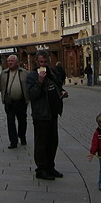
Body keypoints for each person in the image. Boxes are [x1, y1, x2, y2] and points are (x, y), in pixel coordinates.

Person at [26, 50, 68, 180]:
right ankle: (41, 169)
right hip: (41, 114)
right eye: (41, 62)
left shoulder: (52, 72)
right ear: (36, 62)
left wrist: (62, 92)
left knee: (53, 141)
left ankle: (50, 166)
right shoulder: (32, 76)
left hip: (53, 112)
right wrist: (39, 81)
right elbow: (31, 95)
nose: (43, 64)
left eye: (45, 62)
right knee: (41, 143)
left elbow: (57, 86)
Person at [0, 54, 29, 149]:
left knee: (22, 120)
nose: (10, 63)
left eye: (12, 61)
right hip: (9, 102)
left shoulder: (24, 72)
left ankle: (22, 136)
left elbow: (28, 85)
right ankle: (13, 141)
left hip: (21, 101)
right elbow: (1, 86)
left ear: (17, 62)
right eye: (9, 61)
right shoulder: (4, 73)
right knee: (10, 122)